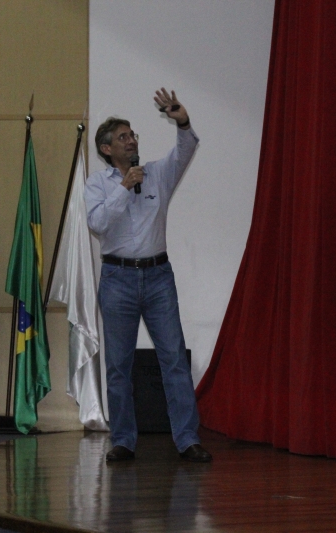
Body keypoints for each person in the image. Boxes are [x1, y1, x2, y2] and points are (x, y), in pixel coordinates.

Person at [85, 88, 211, 463]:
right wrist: (125, 188)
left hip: (158, 278)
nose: (132, 140)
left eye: (133, 135)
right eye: (123, 137)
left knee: (173, 360)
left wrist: (182, 121)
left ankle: (187, 439)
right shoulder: (98, 184)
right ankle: (123, 440)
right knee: (118, 366)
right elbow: (98, 224)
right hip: (117, 280)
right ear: (107, 148)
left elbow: (185, 151)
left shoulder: (157, 174)